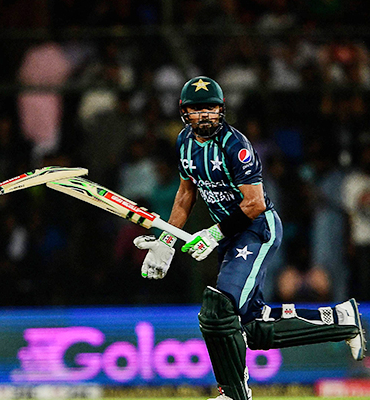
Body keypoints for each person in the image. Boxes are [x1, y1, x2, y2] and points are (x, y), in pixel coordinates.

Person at [133, 76, 366, 400]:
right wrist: (166, 241)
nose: (205, 116)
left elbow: (255, 204)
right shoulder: (185, 143)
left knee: (219, 308)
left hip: (257, 229)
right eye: (197, 109)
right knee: (252, 327)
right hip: (231, 238)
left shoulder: (235, 145)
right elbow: (186, 195)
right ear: (185, 113)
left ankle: (234, 393)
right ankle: (341, 319)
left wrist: (213, 234)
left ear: (222, 110)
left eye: (211, 108)